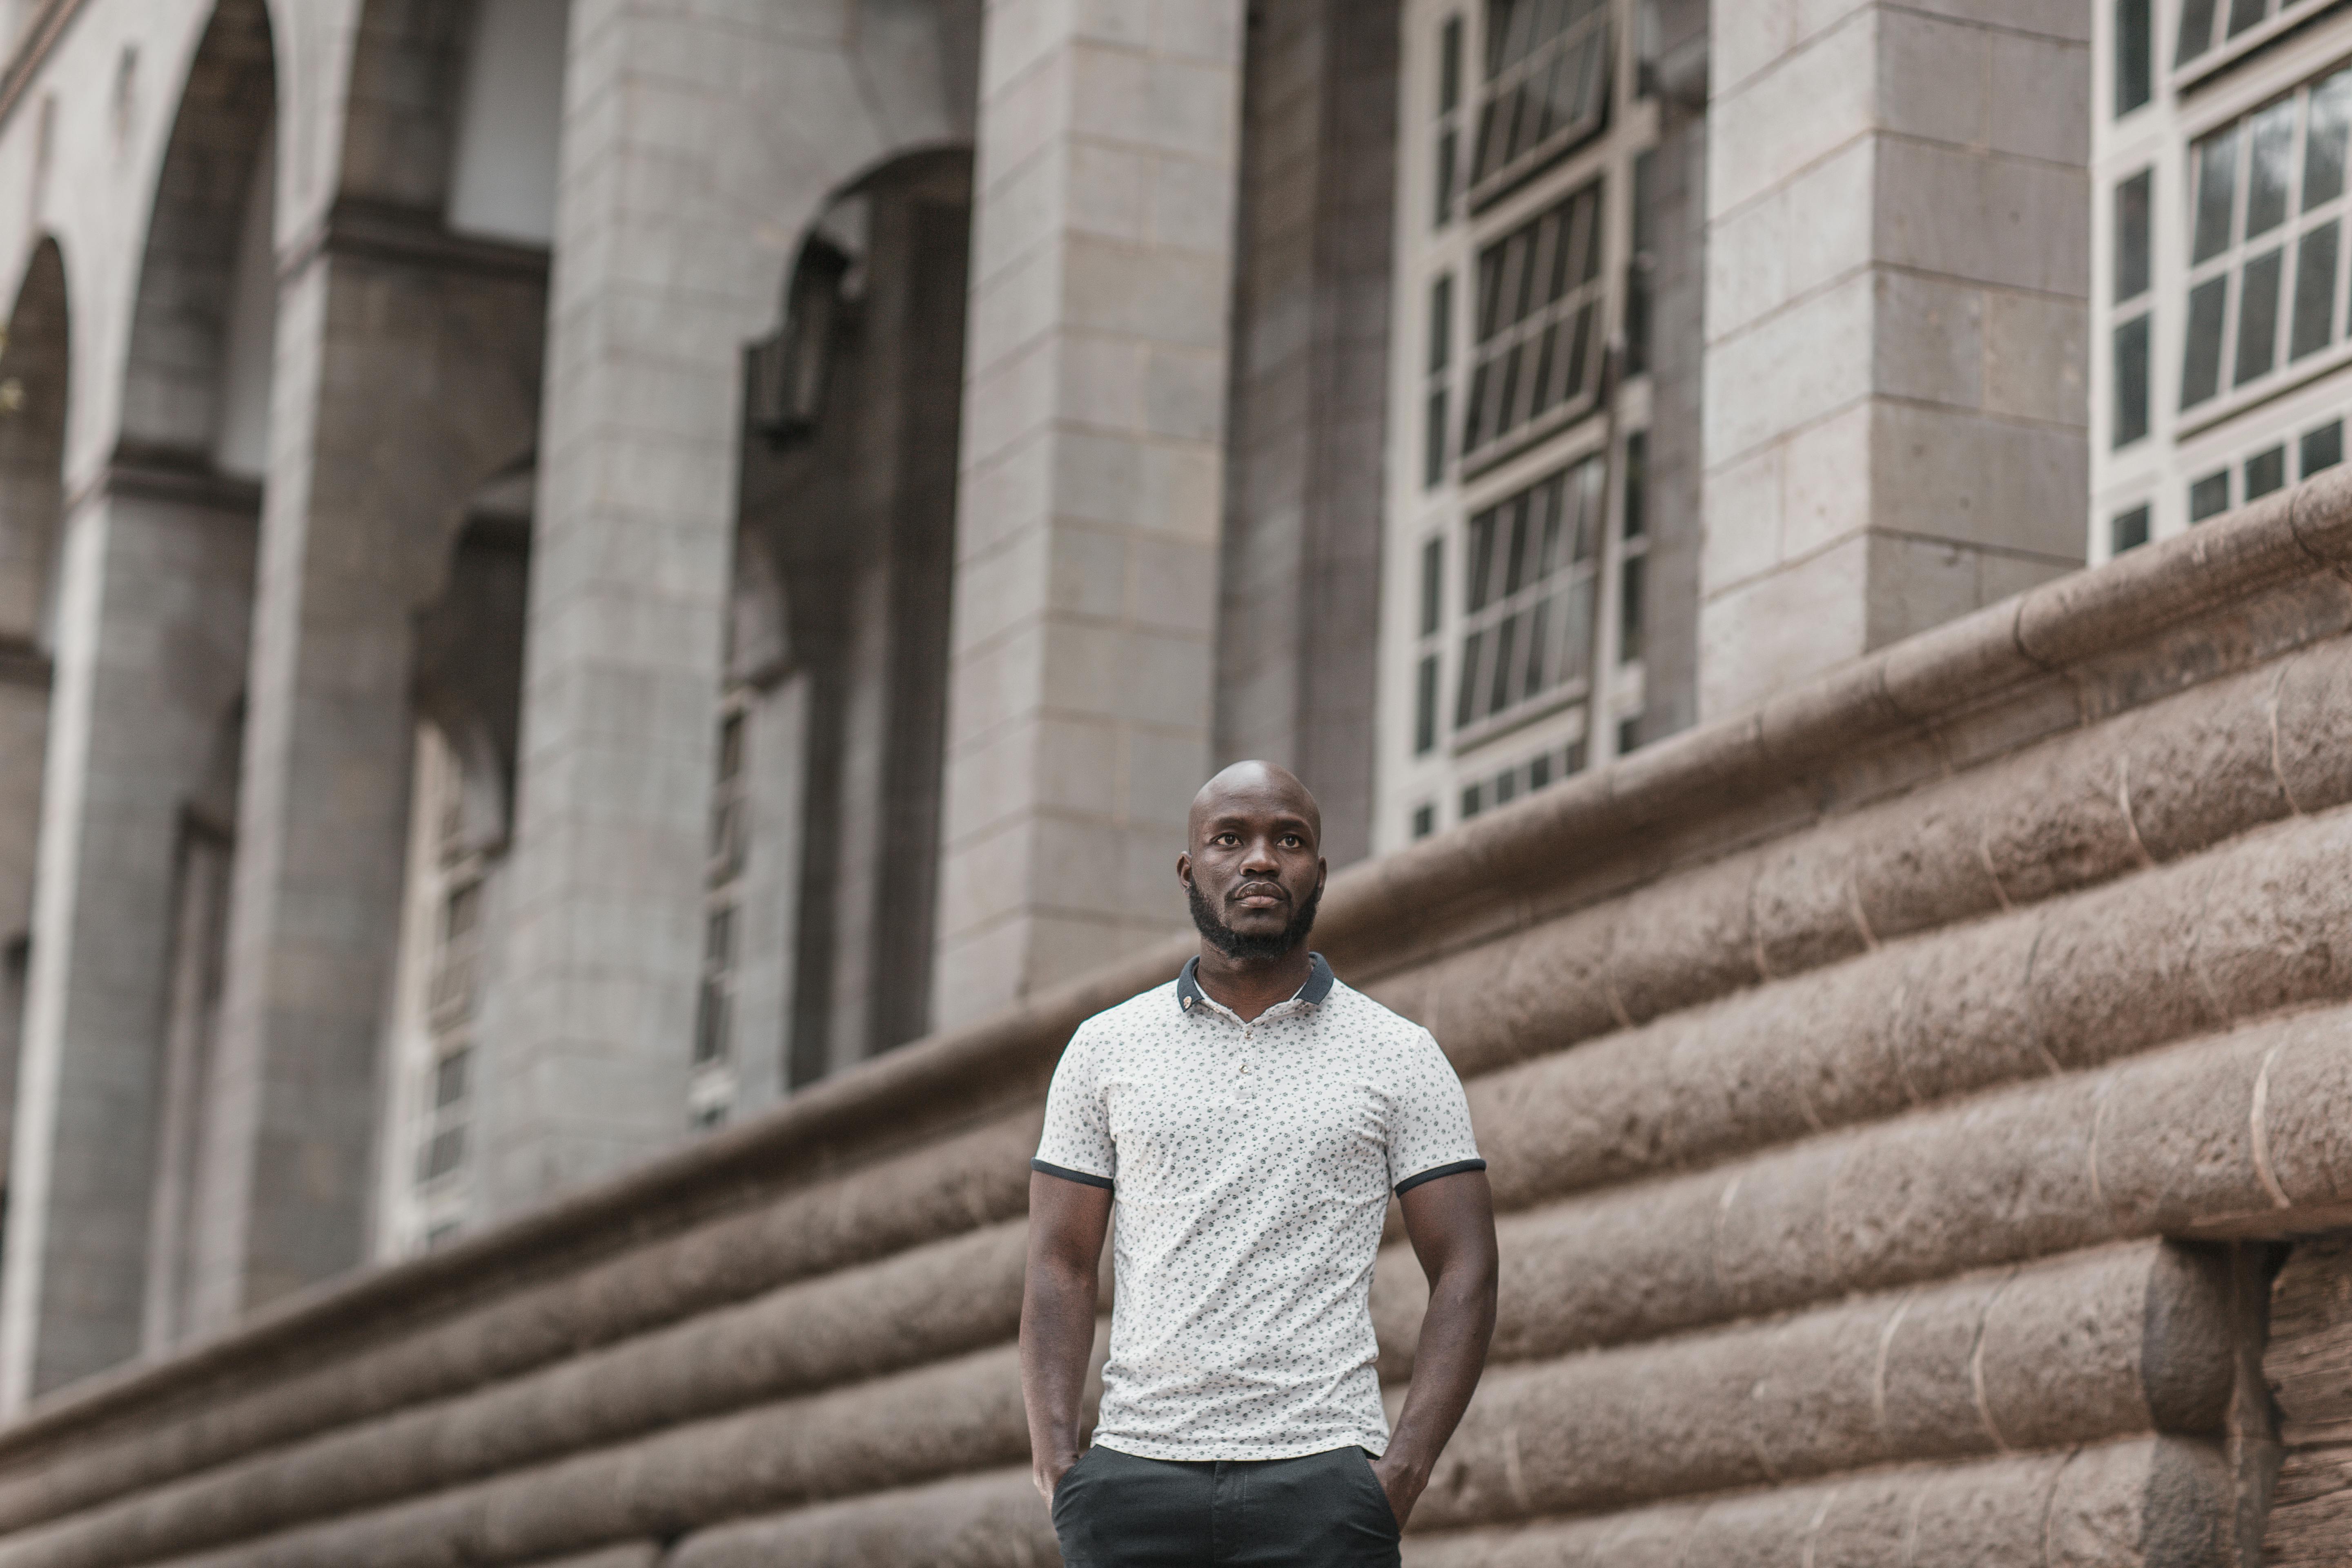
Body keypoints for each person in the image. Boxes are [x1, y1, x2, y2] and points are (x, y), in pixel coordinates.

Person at [1020, 760, 1499, 1567]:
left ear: (1318, 868)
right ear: (1190, 868)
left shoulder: (1398, 1054)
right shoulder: (1107, 1049)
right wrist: (1059, 1464)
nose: (1261, 861)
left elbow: (1467, 1268)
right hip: (1135, 1481)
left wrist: (1400, 1476)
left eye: (1290, 840)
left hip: (1322, 1485)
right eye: (1231, 838)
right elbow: (1059, 1263)